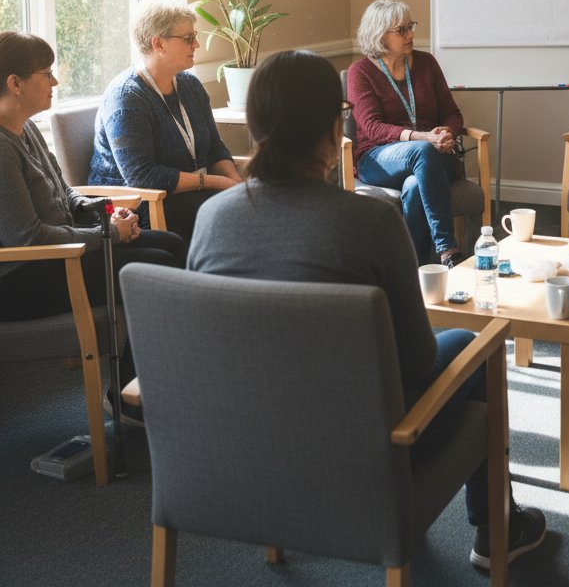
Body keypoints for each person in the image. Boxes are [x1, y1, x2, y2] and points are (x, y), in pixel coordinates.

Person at [188, 50, 546, 570]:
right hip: (358, 452)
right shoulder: (371, 223)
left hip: (244, 448)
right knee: (473, 347)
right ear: (334, 133)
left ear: (256, 126)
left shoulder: (211, 219)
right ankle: (498, 530)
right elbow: (420, 361)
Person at [0, 31, 186, 421]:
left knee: (171, 244)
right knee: (154, 270)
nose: (55, 82)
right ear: (15, 84)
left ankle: (150, 383)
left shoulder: (28, 128)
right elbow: (28, 238)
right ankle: (127, 398)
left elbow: (65, 196)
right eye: (46, 74)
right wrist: (106, 235)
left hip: (61, 258)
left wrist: (106, 213)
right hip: (25, 277)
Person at [89, 0, 242, 246]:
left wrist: (235, 182)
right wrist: (215, 183)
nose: (197, 44)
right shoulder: (127, 96)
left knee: (248, 203)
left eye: (195, 36)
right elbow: (142, 176)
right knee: (226, 214)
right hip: (135, 207)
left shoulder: (190, 86)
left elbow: (215, 148)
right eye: (188, 38)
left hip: (185, 195)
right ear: (158, 43)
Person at [347, 0, 466, 266]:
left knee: (414, 185)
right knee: (421, 151)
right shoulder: (361, 71)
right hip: (378, 158)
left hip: (434, 156)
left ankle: (416, 265)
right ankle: (448, 248)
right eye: (402, 30)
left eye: (410, 26)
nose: (411, 34)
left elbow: (452, 113)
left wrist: (446, 132)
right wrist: (424, 137)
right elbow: (371, 127)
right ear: (379, 35)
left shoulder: (426, 63)